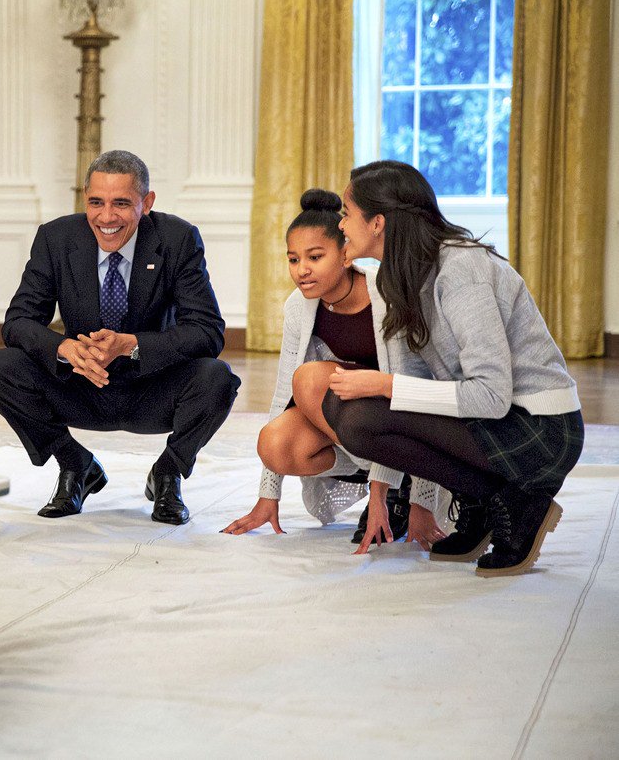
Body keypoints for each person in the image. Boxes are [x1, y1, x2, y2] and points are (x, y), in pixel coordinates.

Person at [324, 160, 584, 577]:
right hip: (490, 423)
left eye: (346, 214)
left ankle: (517, 502)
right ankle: (490, 500)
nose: (340, 226)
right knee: (347, 412)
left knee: (363, 413)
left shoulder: (461, 268)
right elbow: (415, 395)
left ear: (378, 223)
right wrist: (385, 493)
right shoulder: (395, 278)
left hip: (540, 430)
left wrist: (387, 384)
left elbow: (492, 395)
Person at [0, 150, 240, 525]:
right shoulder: (55, 238)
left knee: (218, 378)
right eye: (96, 202)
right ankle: (76, 465)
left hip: (152, 387)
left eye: (121, 203)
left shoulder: (178, 239)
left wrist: (132, 344)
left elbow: (207, 331)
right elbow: (18, 322)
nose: (106, 217)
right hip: (80, 384)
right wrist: (63, 348)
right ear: (84, 199)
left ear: (146, 203)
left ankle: (167, 473)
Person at [221, 189, 442, 546]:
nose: (302, 270)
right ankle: (388, 478)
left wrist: (416, 503)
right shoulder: (299, 306)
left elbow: (416, 391)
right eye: (293, 259)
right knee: (276, 443)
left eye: (315, 257)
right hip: (353, 427)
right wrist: (268, 495)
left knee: (310, 379)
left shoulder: (386, 296)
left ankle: (402, 488)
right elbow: (282, 394)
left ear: (345, 254)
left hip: (404, 423)